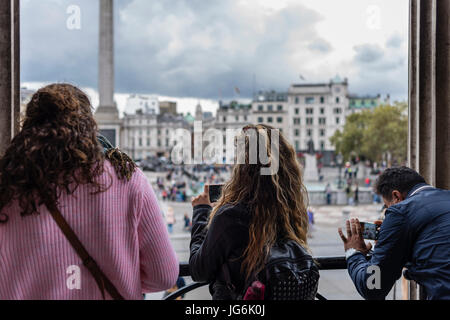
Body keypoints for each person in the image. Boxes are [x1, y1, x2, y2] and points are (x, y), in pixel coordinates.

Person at [0, 84, 179, 299]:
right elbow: (163, 276)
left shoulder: (7, 182)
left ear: (28, 125)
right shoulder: (127, 177)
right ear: (89, 124)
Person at [189, 124, 318, 300]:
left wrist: (201, 212)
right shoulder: (292, 211)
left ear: (243, 169)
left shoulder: (230, 216)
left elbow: (199, 270)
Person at [338, 167, 450, 300]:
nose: (387, 212)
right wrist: (390, 242)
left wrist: (353, 253)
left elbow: (373, 287)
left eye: (387, 206)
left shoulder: (401, 211)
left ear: (396, 196)